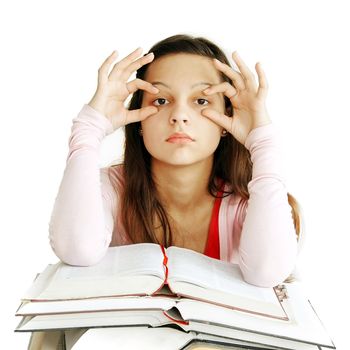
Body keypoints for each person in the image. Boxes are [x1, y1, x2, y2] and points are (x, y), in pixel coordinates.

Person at [48, 34, 301, 288]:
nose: (179, 115)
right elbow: (76, 249)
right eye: (161, 100)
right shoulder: (108, 189)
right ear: (139, 120)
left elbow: (267, 273)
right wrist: (89, 128)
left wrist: (263, 141)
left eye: (201, 101)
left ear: (227, 121)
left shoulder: (247, 205)